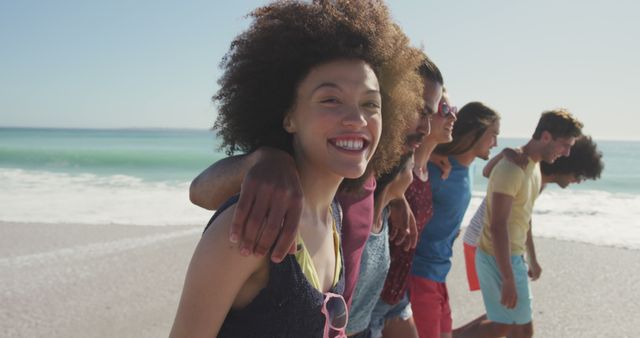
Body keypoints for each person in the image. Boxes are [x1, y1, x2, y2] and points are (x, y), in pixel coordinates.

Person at [169, 1, 424, 337]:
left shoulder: (333, 216)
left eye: (370, 103)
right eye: (331, 99)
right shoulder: (250, 225)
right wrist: (259, 160)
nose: (357, 118)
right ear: (288, 115)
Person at [454, 109, 583, 338]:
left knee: (507, 325)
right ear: (546, 137)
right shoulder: (514, 168)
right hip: (498, 257)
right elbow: (497, 225)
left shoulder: (533, 166)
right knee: (516, 328)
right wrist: (508, 277)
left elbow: (524, 218)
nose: (567, 152)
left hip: (512, 256)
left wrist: (530, 258)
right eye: (565, 144)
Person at [461, 135, 604, 293]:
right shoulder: (524, 167)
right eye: (580, 175)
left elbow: (524, 220)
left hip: (500, 243)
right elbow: (487, 172)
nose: (579, 181)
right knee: (509, 310)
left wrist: (532, 258)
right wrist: (506, 152)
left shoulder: (539, 179)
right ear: (567, 165)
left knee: (508, 309)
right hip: (483, 240)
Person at [410, 102, 501, 338]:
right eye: (493, 136)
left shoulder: (464, 167)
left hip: (440, 271)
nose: (496, 143)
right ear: (474, 134)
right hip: (419, 273)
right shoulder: (438, 170)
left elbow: (492, 170)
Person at [346, 152, 415, 337]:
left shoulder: (384, 217)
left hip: (364, 329)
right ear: (396, 174)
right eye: (411, 168)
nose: (413, 176)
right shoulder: (356, 224)